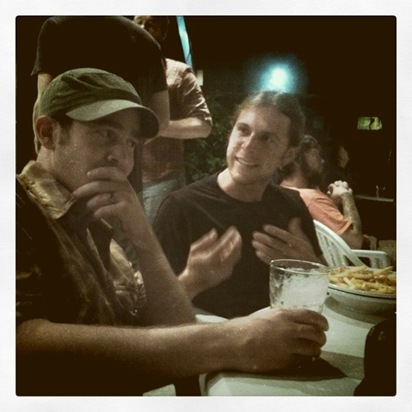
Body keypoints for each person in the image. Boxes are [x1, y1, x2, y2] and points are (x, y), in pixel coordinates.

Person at [16, 68, 329, 396]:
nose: (122, 158)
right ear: (48, 133)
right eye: (106, 134)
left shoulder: (92, 220)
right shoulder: (17, 206)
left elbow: (163, 327)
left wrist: (143, 236)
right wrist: (235, 340)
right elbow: (18, 342)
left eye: (130, 143)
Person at [153, 91, 325, 319]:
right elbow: (151, 313)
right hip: (208, 336)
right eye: (243, 130)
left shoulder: (292, 207)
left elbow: (327, 282)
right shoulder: (181, 208)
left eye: (267, 138)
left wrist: (311, 265)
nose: (248, 145)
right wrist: (193, 280)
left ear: (288, 155)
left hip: (279, 333)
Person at [31, 15, 170, 198]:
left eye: (131, 143)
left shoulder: (60, 26)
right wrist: (127, 141)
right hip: (122, 185)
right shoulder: (149, 43)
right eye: (106, 134)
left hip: (61, 182)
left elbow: (44, 102)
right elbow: (162, 119)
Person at [133, 16, 213, 223]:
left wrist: (157, 127)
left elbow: (203, 125)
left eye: (151, 24)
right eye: (138, 22)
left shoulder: (178, 72)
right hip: (124, 178)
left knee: (158, 240)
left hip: (161, 180)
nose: (142, 28)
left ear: (163, 32)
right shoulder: (122, 71)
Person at [279, 135, 365, 249]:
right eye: (316, 154)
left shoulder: (282, 191)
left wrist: (332, 202)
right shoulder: (312, 199)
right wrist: (346, 195)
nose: (322, 160)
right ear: (297, 158)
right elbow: (355, 241)